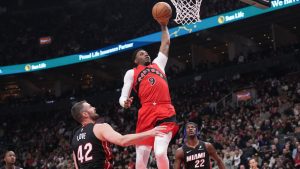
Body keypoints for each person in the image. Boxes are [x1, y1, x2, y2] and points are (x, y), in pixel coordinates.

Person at [119, 16, 178, 169]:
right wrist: (124, 102)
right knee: (141, 160)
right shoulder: (131, 73)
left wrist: (164, 26)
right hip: (146, 113)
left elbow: (166, 43)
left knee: (159, 153)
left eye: (146, 53)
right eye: (141, 53)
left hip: (164, 110)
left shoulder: (158, 64)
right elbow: (123, 96)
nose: (146, 54)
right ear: (135, 60)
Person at [70, 100, 166, 169]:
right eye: (90, 107)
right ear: (85, 114)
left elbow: (77, 164)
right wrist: (150, 132)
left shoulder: (74, 136)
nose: (94, 108)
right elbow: (122, 141)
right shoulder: (99, 127)